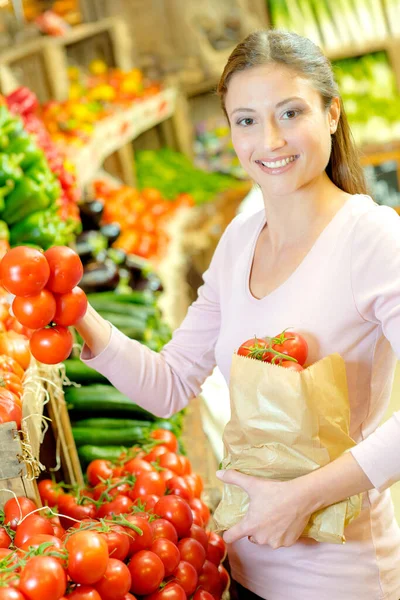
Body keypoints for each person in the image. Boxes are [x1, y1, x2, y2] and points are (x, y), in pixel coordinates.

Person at [75, 29, 400, 600]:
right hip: (245, 568)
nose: (268, 140)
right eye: (246, 120)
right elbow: (171, 384)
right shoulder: (241, 239)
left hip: (341, 579)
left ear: (331, 113)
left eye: (290, 112)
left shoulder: (372, 239)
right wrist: (82, 319)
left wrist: (301, 497)